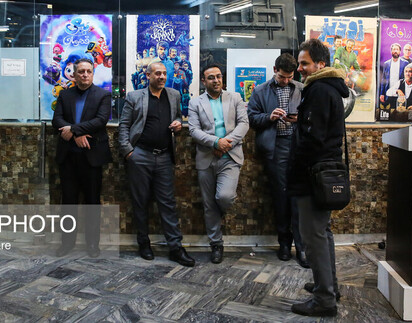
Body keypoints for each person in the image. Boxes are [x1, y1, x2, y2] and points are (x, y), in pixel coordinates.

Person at [288, 39, 348, 317]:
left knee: (313, 235)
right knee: (322, 232)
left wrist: (296, 165)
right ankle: (329, 286)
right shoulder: (328, 88)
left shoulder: (319, 90)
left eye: (305, 63)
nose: (299, 68)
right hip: (321, 171)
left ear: (320, 64)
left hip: (312, 174)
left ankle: (324, 299)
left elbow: (313, 138)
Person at [118, 62, 195, 267]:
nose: (161, 77)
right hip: (140, 155)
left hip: (164, 157)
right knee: (140, 202)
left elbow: (177, 117)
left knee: (167, 203)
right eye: (157, 73)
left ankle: (175, 248)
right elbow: (124, 125)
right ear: (148, 75)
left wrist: (178, 124)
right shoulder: (135, 96)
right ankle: (144, 243)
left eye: (164, 73)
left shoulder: (174, 95)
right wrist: (128, 152)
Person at [247, 53, 308, 267]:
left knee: (299, 199)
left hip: (299, 146)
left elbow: (312, 117)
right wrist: (269, 117)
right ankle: (284, 243)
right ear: (275, 70)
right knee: (281, 197)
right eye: (282, 77)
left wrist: (299, 119)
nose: (286, 81)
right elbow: (252, 118)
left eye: (290, 77)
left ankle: (302, 247)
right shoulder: (260, 90)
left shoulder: (302, 89)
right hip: (276, 146)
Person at [188, 64, 249, 264]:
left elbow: (244, 124)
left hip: (230, 157)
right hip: (206, 158)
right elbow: (193, 130)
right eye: (211, 77)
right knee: (208, 205)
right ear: (203, 81)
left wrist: (225, 143)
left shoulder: (235, 97)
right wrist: (215, 142)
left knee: (224, 197)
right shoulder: (195, 102)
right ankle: (216, 244)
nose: (216, 80)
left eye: (219, 76)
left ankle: (218, 214)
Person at [52, 58, 111, 258]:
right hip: (68, 157)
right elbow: (57, 120)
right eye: (81, 71)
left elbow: (101, 120)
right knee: (68, 202)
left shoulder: (103, 95)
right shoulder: (65, 94)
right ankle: (66, 243)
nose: (85, 74)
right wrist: (75, 135)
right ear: (75, 75)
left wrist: (74, 130)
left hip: (91, 157)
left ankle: (92, 244)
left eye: (88, 71)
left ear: (93, 74)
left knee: (92, 202)